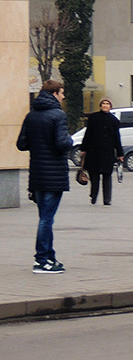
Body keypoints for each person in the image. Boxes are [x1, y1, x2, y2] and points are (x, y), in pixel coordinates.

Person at [17, 79, 73, 274]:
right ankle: (42, 260)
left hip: (37, 174)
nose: (64, 96)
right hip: (54, 174)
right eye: (62, 92)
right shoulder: (58, 115)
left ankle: (49, 256)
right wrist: (70, 140)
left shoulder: (31, 116)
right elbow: (61, 143)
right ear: (55, 94)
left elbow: (21, 144)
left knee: (44, 217)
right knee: (46, 219)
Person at [80, 98, 123, 205]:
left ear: (110, 106)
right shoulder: (93, 117)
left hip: (107, 152)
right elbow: (88, 133)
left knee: (107, 176)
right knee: (94, 176)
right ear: (100, 106)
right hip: (93, 151)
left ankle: (107, 199)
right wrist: (83, 148)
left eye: (107, 104)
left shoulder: (114, 120)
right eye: (103, 103)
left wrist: (120, 153)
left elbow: (117, 137)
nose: (105, 105)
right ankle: (93, 196)